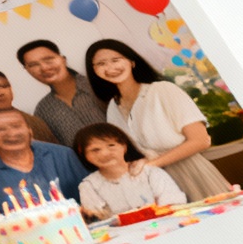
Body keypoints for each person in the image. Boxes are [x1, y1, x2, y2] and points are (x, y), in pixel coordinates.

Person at [86, 39, 231, 202]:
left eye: (116, 60)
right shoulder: (113, 107)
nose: (110, 68)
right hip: (156, 187)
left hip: (192, 174)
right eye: (101, 63)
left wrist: (151, 164)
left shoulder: (163, 90)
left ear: (132, 62)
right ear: (94, 70)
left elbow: (201, 140)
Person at [0, 108, 93, 219]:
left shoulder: (62, 155)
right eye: (0, 130)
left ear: (30, 131)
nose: (11, 133)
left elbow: (91, 196)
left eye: (16, 126)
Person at [71, 123, 186, 221]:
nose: (105, 153)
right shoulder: (89, 186)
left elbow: (174, 203)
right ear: (84, 155)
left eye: (111, 145)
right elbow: (97, 221)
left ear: (124, 146)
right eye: (95, 150)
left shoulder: (150, 172)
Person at [16, 39, 108, 145]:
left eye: (48, 59)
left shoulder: (100, 85)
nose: (44, 68)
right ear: (27, 70)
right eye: (33, 65)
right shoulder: (43, 110)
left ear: (63, 59)